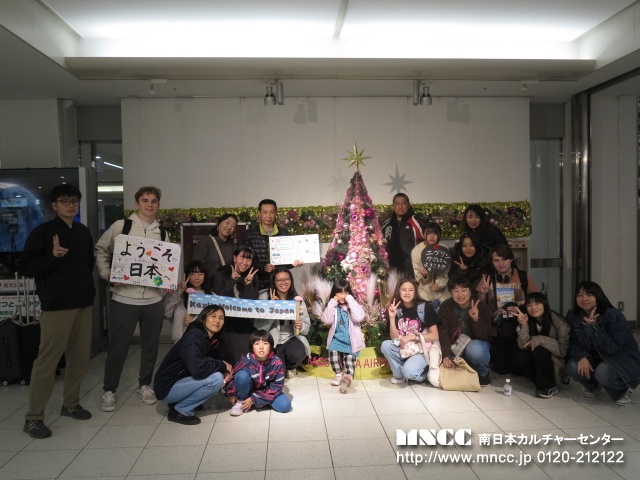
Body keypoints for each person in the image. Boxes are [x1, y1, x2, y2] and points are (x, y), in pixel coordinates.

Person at [18, 184, 96, 439]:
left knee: (79, 359)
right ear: (54, 205)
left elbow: (87, 264)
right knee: (47, 362)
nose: (70, 205)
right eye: (65, 201)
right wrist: (52, 257)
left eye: (74, 201)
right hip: (57, 307)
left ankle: (70, 404)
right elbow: (25, 266)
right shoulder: (43, 232)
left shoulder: (83, 232)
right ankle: (33, 418)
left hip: (83, 304)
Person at [95, 186, 167, 412]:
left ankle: (145, 385)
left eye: (153, 201)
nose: (149, 205)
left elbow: (165, 264)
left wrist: (167, 281)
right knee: (118, 347)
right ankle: (109, 389)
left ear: (158, 205)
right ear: (137, 203)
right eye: (145, 200)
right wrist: (108, 274)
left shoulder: (162, 232)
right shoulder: (122, 226)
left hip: (153, 300)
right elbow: (101, 250)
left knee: (151, 346)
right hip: (124, 298)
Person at [153, 304, 233, 425]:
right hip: (166, 388)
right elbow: (199, 370)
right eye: (213, 316)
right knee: (216, 379)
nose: (217, 320)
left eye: (221, 318)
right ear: (204, 317)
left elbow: (213, 360)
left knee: (217, 373)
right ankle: (180, 411)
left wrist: (224, 368)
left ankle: (181, 402)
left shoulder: (210, 338)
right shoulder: (194, 337)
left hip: (178, 382)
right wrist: (222, 365)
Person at [565, 281, 640, 406]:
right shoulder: (574, 315)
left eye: (589, 295)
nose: (584, 299)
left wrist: (592, 327)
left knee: (603, 372)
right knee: (572, 366)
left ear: (598, 296)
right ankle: (594, 386)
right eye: (580, 295)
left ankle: (623, 390)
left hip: (620, 358)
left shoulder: (612, 315)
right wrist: (581, 357)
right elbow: (573, 340)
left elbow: (612, 348)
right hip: (595, 357)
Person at [477, 244, 540, 375]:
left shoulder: (523, 277)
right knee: (502, 369)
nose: (501, 264)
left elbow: (538, 301)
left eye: (504, 259)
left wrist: (521, 309)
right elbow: (480, 307)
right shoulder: (487, 279)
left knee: (520, 367)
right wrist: (483, 293)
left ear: (511, 259)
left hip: (520, 326)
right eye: (496, 260)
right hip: (498, 329)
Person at [380, 278, 441, 387]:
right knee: (386, 345)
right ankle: (399, 376)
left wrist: (412, 337)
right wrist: (392, 318)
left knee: (409, 371)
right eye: (404, 290)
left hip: (421, 350)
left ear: (415, 291)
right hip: (404, 349)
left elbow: (435, 335)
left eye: (410, 290)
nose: (407, 293)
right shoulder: (396, 308)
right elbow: (394, 339)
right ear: (399, 291)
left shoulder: (425, 307)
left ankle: (422, 373)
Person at [255, 267, 310, 378]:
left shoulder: (297, 300)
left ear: (291, 281)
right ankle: (282, 365)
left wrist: (301, 326)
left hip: (291, 339)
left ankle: (291, 366)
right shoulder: (264, 297)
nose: (283, 283)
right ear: (274, 282)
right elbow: (259, 327)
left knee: (297, 353)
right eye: (279, 280)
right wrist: (271, 308)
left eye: (287, 279)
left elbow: (306, 328)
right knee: (278, 373)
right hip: (273, 341)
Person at [438, 276, 493, 386]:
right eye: (456, 291)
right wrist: (445, 355)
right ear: (451, 292)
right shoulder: (445, 306)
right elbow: (443, 333)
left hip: (475, 346)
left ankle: (483, 374)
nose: (460, 295)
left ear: (470, 291)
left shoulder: (481, 307)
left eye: (463, 290)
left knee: (475, 349)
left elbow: (484, 336)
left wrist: (476, 319)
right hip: (455, 349)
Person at [514, 292, 571, 398]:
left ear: (545, 304)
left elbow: (562, 350)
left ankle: (550, 385)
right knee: (522, 356)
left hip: (554, 361)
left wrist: (540, 340)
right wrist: (523, 325)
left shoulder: (559, 323)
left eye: (537, 303)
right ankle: (539, 380)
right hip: (537, 360)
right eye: (529, 305)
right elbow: (522, 346)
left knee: (540, 349)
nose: (533, 308)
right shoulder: (528, 319)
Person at [225, 329, 291, 415]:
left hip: (267, 391)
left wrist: (254, 399)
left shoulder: (277, 363)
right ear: (252, 347)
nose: (261, 347)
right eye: (257, 344)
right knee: (241, 375)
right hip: (249, 389)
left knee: (285, 406)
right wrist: (231, 393)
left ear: (271, 347)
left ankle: (259, 400)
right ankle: (241, 401)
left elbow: (277, 385)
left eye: (265, 343)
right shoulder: (245, 360)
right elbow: (233, 376)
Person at [214, 245, 259, 363]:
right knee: (234, 352)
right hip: (225, 321)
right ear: (234, 258)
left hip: (244, 322)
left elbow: (252, 305)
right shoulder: (222, 274)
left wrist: (248, 284)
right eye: (242, 258)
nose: (245, 262)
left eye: (249, 259)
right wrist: (232, 280)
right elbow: (218, 300)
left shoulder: (252, 276)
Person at [320, 278, 366, 394]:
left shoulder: (352, 306)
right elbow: (326, 320)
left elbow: (359, 317)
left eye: (346, 293)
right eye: (340, 292)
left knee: (349, 360)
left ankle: (348, 378)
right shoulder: (333, 307)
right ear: (334, 293)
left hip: (351, 340)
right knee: (333, 357)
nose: (343, 296)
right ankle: (338, 374)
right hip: (336, 339)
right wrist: (332, 303)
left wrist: (351, 300)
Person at [245, 199, 302, 290]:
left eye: (271, 212)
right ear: (259, 213)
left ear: (276, 213)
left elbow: (287, 260)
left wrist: (294, 264)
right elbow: (247, 259)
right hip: (257, 283)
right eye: (265, 212)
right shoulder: (250, 234)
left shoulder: (284, 233)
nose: (268, 216)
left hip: (280, 283)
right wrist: (263, 267)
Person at [164, 260, 213, 342]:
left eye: (200, 274)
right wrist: (178, 292)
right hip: (180, 341)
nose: (196, 278)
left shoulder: (211, 297)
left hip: (202, 342)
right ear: (186, 275)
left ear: (205, 276)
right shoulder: (179, 294)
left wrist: (194, 322)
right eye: (192, 274)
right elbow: (166, 314)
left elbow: (215, 322)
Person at [381, 193, 425, 278]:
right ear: (393, 206)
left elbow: (428, 244)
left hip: (414, 271)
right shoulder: (386, 224)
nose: (400, 207)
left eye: (403, 203)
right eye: (397, 204)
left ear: (408, 205)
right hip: (391, 271)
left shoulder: (418, 222)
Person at [411, 222, 451, 306]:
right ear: (423, 234)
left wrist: (439, 285)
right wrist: (424, 275)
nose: (432, 236)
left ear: (439, 235)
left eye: (435, 233)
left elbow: (445, 273)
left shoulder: (444, 249)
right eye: (428, 233)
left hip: (442, 295)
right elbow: (417, 277)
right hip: (424, 295)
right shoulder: (416, 251)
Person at [192, 213, 238, 280]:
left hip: (225, 284)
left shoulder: (233, 246)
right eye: (227, 223)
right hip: (208, 284)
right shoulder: (206, 241)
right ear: (219, 223)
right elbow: (197, 265)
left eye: (233, 226)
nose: (229, 227)